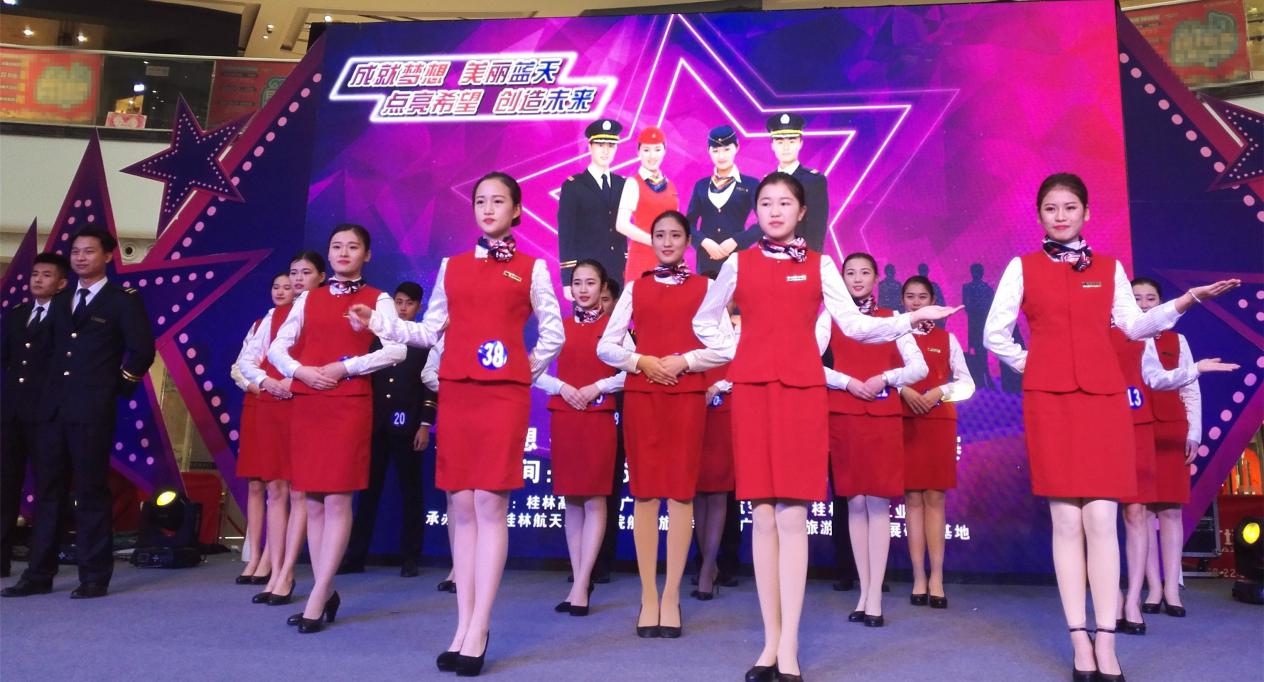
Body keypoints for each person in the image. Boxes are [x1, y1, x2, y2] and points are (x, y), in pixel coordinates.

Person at [691, 172, 959, 681]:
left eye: (784, 203)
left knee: (792, 516)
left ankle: (789, 647)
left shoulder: (820, 264)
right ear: (756, 211)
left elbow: (854, 325)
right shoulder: (737, 263)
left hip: (800, 393)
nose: (774, 211)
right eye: (765, 203)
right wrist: (741, 349)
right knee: (763, 517)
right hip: (753, 392)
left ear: (802, 212)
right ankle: (768, 645)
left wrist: (911, 318)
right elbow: (705, 321)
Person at [983, 172, 1238, 681]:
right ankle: (1078, 638)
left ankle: (1107, 638)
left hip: (1103, 402)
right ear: (1039, 216)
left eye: (1070, 207)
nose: (1060, 215)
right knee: (1065, 522)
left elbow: (1135, 325)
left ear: (1086, 213)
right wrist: (1036, 365)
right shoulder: (1022, 267)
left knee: (1101, 519)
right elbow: (994, 334)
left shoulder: (1110, 268)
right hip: (1050, 403)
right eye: (1051, 208)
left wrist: (1187, 299)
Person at [352, 171, 563, 676]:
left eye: (498, 201)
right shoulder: (453, 266)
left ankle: (480, 628)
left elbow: (553, 333)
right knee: (461, 506)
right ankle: (462, 625)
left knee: (489, 503)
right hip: (459, 392)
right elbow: (429, 330)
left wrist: (522, 368)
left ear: (517, 210)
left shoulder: (533, 268)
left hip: (502, 396)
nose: (487, 209)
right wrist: (380, 323)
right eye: (480, 201)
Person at [597, 209, 730, 640]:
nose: (667, 242)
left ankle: (671, 596)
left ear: (688, 241)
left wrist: (685, 361)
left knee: (680, 494)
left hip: (686, 398)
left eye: (675, 235)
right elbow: (606, 346)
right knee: (646, 495)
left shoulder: (706, 287)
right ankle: (649, 596)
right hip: (643, 397)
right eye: (660, 235)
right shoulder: (635, 288)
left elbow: (727, 347)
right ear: (650, 241)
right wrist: (641, 361)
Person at [2, 226, 155, 599]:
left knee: (90, 492)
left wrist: (113, 388)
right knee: (47, 492)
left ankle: (93, 575)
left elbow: (141, 350)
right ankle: (39, 574)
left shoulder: (122, 300)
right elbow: (45, 353)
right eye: (75, 252)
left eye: (89, 251)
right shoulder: (59, 299)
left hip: (91, 411)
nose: (81, 257)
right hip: (51, 410)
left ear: (108, 256)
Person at [268, 225, 405, 633]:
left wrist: (347, 367)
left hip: (348, 402)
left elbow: (397, 349)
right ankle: (324, 590)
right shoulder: (308, 297)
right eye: (337, 247)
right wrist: (301, 371)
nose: (344, 252)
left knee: (338, 501)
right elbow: (277, 347)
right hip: (310, 401)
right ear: (328, 255)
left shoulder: (378, 298)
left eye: (353, 247)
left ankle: (318, 595)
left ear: (367, 254)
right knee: (312, 501)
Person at [1111, 294, 1230, 635]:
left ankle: (1172, 587)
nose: (1144, 304)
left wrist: (1194, 431)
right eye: (1136, 298)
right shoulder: (1118, 333)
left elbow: (1189, 389)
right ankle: (1151, 588)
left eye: (1150, 298)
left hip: (1167, 429)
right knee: (1139, 511)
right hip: (1130, 428)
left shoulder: (1176, 340)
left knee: (1169, 510)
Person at [823, 253, 928, 627]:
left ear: (877, 278)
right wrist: (846, 382)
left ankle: (875, 598)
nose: (856, 279)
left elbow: (919, 367)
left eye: (864, 272)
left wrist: (885, 378)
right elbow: (809, 362)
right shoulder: (831, 317)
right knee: (854, 504)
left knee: (878, 505)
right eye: (849, 273)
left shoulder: (893, 319)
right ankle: (864, 593)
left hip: (882, 416)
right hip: (844, 414)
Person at [235, 251, 326, 607]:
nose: (298, 279)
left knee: (300, 491)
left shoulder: (326, 310)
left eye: (306, 272)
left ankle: (287, 572)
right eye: (294, 272)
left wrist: (297, 379)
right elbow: (248, 360)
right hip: (274, 404)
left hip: (307, 404)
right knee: (275, 488)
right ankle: (271, 570)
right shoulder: (273, 316)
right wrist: (265, 381)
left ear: (321, 277)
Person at [534, 259, 624, 615]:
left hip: (598, 418)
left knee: (595, 500)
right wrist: (562, 387)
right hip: (566, 416)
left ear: (603, 287)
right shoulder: (558, 328)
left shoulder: (616, 328)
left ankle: (583, 583)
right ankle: (578, 582)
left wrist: (598, 386)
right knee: (572, 500)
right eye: (578, 283)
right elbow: (532, 369)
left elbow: (631, 371)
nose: (584, 289)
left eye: (591, 283)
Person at [339, 282, 438, 578]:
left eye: (409, 303)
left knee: (411, 493)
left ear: (419, 307)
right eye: (399, 302)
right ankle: (355, 556)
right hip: (375, 425)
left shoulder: (424, 340)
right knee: (367, 493)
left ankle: (410, 558)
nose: (403, 308)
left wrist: (425, 424)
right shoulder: (376, 337)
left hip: (408, 427)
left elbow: (430, 388)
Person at [898, 275, 975, 609]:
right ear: (903, 301)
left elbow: (967, 383)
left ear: (932, 301)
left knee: (935, 498)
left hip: (938, 421)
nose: (916, 302)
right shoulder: (893, 336)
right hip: (905, 420)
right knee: (912, 499)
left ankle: (937, 578)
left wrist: (939, 392)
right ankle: (918, 576)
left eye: (922, 297)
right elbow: (883, 377)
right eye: (910, 296)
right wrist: (904, 390)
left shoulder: (947, 338)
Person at [1, 252, 69, 578]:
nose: (38, 280)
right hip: (12, 415)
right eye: (35, 274)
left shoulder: (67, 317)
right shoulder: (17, 314)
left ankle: (41, 565)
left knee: (48, 492)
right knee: (4, 487)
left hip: (48, 416)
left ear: (62, 283)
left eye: (46, 275)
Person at [229, 272, 294, 589]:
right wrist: (257, 386)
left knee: (277, 485)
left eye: (287, 287)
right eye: (276, 286)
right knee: (255, 483)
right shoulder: (260, 323)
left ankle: (271, 558)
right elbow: (239, 366)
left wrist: (273, 387)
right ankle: (254, 556)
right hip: (256, 404)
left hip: (283, 404)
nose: (281, 291)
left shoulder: (296, 322)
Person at [693, 299, 738, 601]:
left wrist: (717, 387)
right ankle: (706, 564)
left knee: (719, 493)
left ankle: (708, 567)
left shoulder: (738, 332)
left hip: (724, 412)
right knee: (697, 493)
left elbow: (744, 366)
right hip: (693, 411)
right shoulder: (691, 330)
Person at [559, 119, 627, 287]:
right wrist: (568, 279)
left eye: (611, 145)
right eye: (600, 145)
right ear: (590, 146)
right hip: (586, 274)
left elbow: (622, 231)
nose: (606, 151)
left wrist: (627, 265)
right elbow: (566, 234)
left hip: (617, 272)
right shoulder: (574, 186)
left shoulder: (622, 184)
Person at [685, 125, 760, 275]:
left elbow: (765, 223)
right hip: (706, 261)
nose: (721, 156)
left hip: (736, 259)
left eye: (726, 149)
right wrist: (703, 242)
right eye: (716, 151)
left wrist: (737, 240)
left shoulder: (751, 184)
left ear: (737, 147)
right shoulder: (701, 185)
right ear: (709, 151)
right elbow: (688, 224)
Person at [616, 126, 679, 284]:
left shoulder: (670, 185)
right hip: (642, 259)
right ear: (638, 152)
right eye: (646, 150)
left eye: (657, 149)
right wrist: (654, 241)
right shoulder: (633, 183)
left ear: (664, 151)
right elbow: (621, 224)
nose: (652, 156)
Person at [765, 113, 829, 252]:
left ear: (800, 143)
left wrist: (810, 260)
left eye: (792, 141)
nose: (786, 147)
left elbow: (816, 229)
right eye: (780, 142)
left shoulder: (814, 181)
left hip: (800, 257)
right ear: (772, 145)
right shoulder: (766, 182)